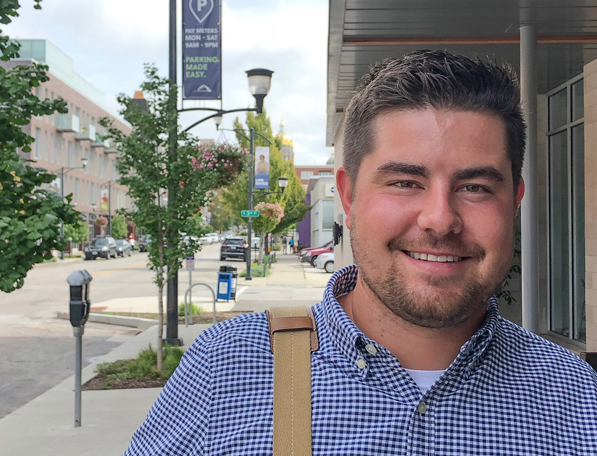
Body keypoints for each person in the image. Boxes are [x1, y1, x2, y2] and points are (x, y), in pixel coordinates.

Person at [123, 50, 597, 455]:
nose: (439, 218)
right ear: (348, 197)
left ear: (514, 200)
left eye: (474, 187)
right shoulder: (226, 370)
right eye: (405, 182)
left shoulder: (576, 399)